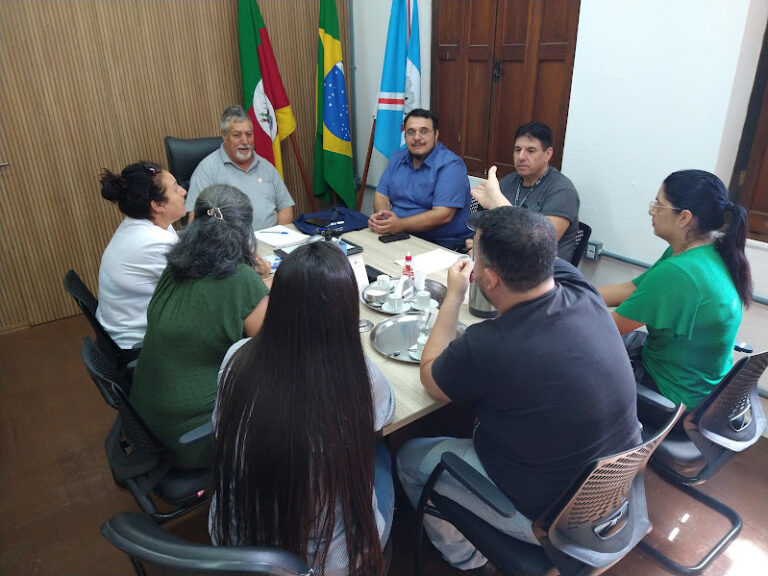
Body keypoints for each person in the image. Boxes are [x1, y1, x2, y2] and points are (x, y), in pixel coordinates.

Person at [397, 206, 641, 572]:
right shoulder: (580, 289)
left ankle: (470, 559)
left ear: (489, 279)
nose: (470, 259)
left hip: (551, 519)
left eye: (474, 255)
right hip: (616, 491)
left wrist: (453, 296)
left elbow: (431, 379)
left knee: (408, 458)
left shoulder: (489, 344)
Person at [209, 241, 395, 576]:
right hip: (322, 562)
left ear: (277, 303)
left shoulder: (236, 357)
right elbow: (380, 426)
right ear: (346, 312)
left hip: (236, 543)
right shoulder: (363, 380)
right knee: (382, 458)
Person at [130, 185, 271, 469]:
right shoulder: (240, 281)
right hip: (195, 436)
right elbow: (277, 346)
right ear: (245, 232)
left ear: (194, 221)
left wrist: (254, 279)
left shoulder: (176, 265)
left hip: (144, 419)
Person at [599, 169, 752, 412]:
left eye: (659, 204)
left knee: (577, 358)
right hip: (703, 391)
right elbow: (630, 289)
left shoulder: (680, 272)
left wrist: (554, 310)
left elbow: (603, 330)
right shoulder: (707, 251)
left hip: (673, 399)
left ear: (684, 218)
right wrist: (574, 292)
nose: (651, 210)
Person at [96, 161, 187, 349]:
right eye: (176, 188)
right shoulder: (152, 241)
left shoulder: (146, 225)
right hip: (139, 347)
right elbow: (203, 291)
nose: (183, 191)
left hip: (136, 330)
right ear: (158, 205)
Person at [469, 122, 580, 260]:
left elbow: (538, 246)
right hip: (502, 263)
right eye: (517, 149)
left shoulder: (563, 191)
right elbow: (487, 229)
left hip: (542, 273)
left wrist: (496, 203)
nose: (521, 157)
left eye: (530, 151)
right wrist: (479, 245)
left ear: (547, 154)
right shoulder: (507, 182)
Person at [368, 109, 472, 250]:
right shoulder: (398, 157)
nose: (417, 137)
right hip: (400, 235)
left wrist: (398, 224)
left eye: (424, 131)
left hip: (443, 243)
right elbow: (381, 196)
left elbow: (443, 215)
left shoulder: (451, 165)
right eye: (411, 132)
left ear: (436, 135)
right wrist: (383, 220)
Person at [186, 105, 295, 230]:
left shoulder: (266, 167)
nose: (245, 141)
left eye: (249, 134)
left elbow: (286, 208)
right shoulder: (207, 170)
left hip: (271, 243)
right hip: (231, 247)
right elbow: (196, 221)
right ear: (224, 135)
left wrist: (278, 237)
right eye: (237, 135)